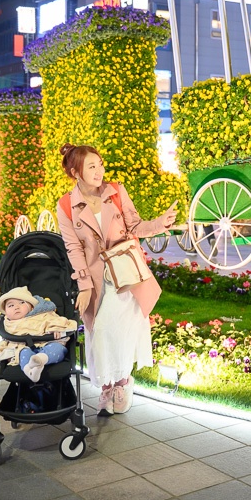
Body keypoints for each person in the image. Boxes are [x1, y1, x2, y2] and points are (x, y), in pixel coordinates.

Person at [57, 143, 177, 415]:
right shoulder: (66, 205)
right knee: (99, 331)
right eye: (91, 166)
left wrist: (160, 223)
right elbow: (73, 248)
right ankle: (106, 386)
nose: (99, 171)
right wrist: (84, 285)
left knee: (121, 331)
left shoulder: (116, 192)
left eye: (100, 164)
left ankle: (121, 383)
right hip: (97, 280)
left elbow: (135, 226)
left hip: (126, 274)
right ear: (76, 172)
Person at [0, 286, 78, 383]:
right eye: (10, 305)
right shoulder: (8, 323)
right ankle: (30, 371)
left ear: (31, 306)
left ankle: (40, 359)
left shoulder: (43, 315)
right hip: (22, 346)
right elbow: (6, 340)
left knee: (57, 348)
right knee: (22, 352)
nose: (16, 307)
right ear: (6, 312)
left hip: (48, 344)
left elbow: (59, 322)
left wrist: (57, 329)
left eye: (21, 303)